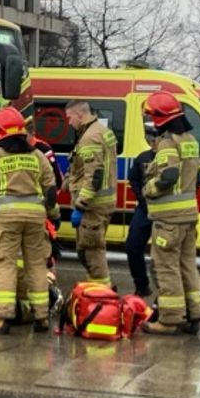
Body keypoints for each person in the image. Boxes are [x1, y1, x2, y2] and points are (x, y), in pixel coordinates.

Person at [0, 107, 60, 334]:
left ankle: (2, 317)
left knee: (6, 264)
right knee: (36, 264)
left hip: (7, 218)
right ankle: (42, 316)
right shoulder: (37, 156)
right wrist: (53, 216)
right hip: (35, 217)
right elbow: (51, 188)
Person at [140, 91, 200, 335]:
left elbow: (168, 176)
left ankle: (169, 319)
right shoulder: (190, 140)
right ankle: (193, 313)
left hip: (169, 219)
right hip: (188, 215)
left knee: (166, 267)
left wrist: (149, 188)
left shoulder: (167, 143)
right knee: (187, 265)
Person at [63, 100, 118, 287]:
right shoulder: (103, 132)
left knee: (92, 253)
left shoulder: (90, 138)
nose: (69, 123)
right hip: (104, 203)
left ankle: (101, 293)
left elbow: (94, 175)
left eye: (69, 118)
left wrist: (80, 205)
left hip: (92, 207)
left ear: (80, 114)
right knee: (91, 250)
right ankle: (99, 288)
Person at [125, 123, 159, 298]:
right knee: (132, 246)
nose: (153, 142)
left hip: (164, 212)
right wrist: (141, 199)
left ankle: (166, 294)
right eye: (150, 139)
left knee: (162, 255)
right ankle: (141, 285)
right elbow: (134, 179)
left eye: (155, 138)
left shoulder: (173, 157)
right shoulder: (143, 158)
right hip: (145, 209)